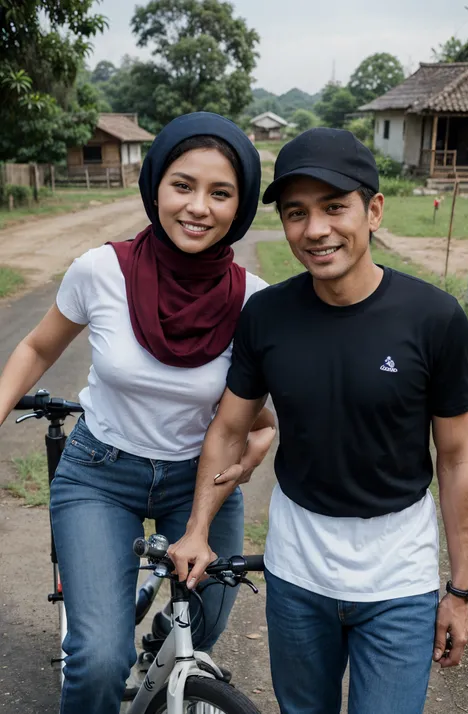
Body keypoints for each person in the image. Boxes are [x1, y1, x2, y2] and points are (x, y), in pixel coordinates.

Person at [168, 127, 468, 714]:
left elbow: (457, 457)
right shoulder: (267, 314)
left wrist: (460, 589)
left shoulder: (434, 319)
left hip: (399, 579)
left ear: (373, 210)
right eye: (296, 213)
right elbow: (230, 427)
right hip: (297, 571)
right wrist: (197, 528)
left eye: (335, 207)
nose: (316, 230)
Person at [0, 112, 276, 714]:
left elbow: (258, 416)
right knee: (99, 661)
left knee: (198, 633)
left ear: (242, 204)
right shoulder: (100, 270)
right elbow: (37, 346)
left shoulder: (254, 301)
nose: (198, 206)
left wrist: (258, 445)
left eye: (220, 192)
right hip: (100, 474)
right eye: (183, 185)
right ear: (155, 187)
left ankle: (161, 660)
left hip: (198, 483)